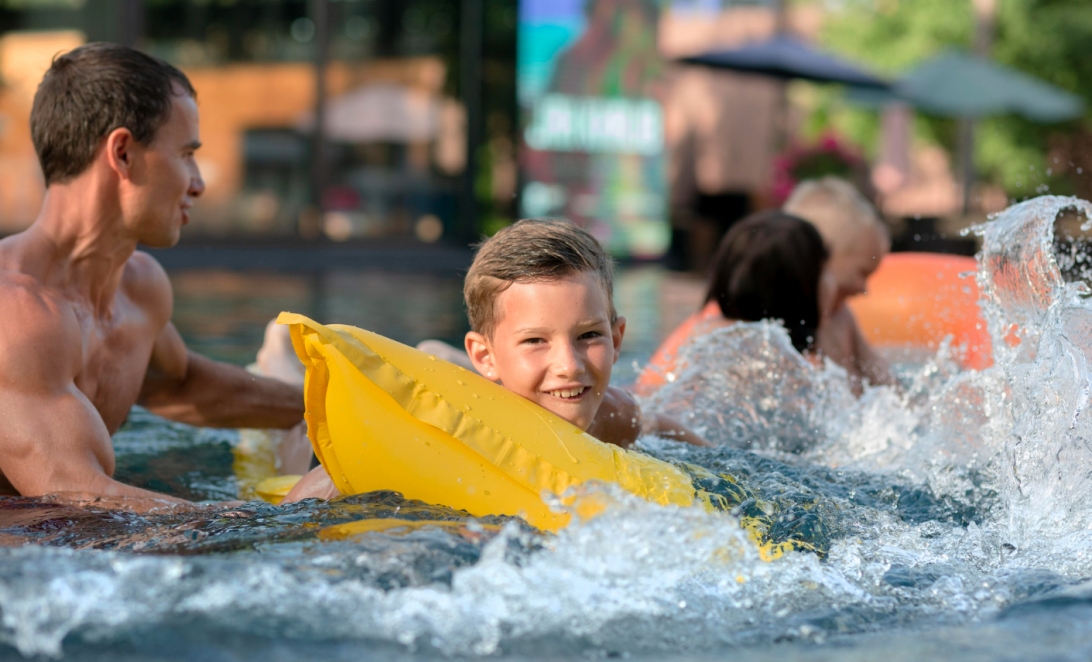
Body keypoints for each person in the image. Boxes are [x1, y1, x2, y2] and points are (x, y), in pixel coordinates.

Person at [0, 43, 304, 510]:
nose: (198, 183)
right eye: (185, 154)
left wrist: (333, 405)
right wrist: (301, 510)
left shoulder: (139, 288)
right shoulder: (14, 315)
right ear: (122, 153)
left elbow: (181, 385)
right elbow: (75, 502)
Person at [284, 219, 707, 502]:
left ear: (617, 340)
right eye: (536, 340)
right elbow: (324, 487)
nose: (570, 365)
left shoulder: (607, 416)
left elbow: (656, 426)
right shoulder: (448, 435)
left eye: (589, 336)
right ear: (484, 356)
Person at [635, 211, 831, 393]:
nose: (832, 282)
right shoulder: (790, 365)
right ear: (799, 286)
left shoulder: (706, 326)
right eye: (824, 272)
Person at [783, 177, 894, 388]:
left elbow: (888, 386)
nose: (863, 289)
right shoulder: (781, 327)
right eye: (861, 272)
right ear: (820, 259)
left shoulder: (843, 319)